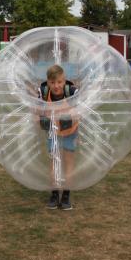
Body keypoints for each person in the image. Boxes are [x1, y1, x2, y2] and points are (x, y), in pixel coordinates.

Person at [37, 64, 79, 210]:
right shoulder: (43, 91)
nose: (56, 86)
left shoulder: (71, 91)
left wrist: (72, 115)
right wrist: (41, 117)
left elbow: (82, 107)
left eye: (60, 82)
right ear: (48, 81)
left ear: (64, 80)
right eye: (53, 82)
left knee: (68, 161)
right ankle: (54, 194)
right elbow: (36, 109)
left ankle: (66, 195)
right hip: (52, 132)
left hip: (69, 132)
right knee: (54, 163)